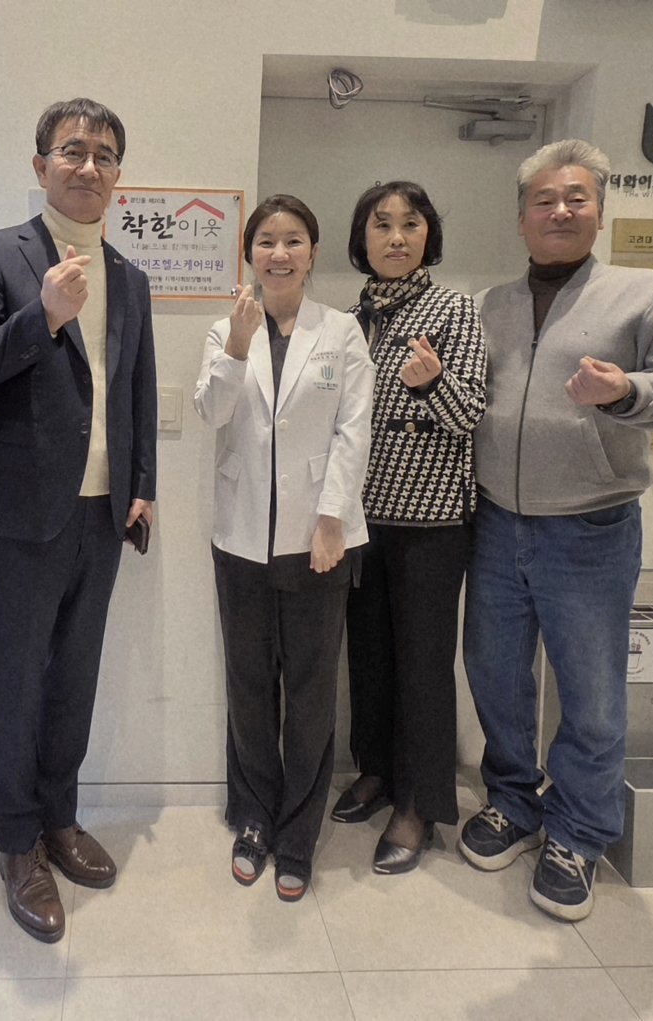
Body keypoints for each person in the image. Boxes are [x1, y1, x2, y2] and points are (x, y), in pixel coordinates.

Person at [458, 139, 653, 922]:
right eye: (544, 200)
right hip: (496, 521)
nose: (560, 210)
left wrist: (626, 389)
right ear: (522, 217)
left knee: (593, 694)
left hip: (591, 528)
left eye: (576, 198)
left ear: (599, 211)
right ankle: (513, 800)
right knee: (495, 673)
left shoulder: (645, 293)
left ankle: (577, 832)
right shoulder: (491, 303)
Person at [0, 98, 157, 943]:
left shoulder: (131, 277)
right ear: (41, 166)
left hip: (103, 511)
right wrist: (44, 318)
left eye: (104, 154)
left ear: (118, 176)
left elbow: (136, 388)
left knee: (75, 675)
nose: (88, 165)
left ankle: (60, 818)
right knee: (18, 680)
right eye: (72, 150)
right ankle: (16, 842)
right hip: (22, 511)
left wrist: (142, 482)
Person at [195, 195, 374, 901]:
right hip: (240, 538)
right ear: (250, 254)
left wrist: (332, 519)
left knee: (309, 691)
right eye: (266, 241)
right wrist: (238, 347)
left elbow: (353, 430)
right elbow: (212, 412)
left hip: (318, 541)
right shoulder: (225, 329)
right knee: (248, 685)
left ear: (312, 252)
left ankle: (298, 833)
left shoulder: (343, 331)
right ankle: (253, 818)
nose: (279, 253)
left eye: (293, 240)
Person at [330, 182, 486, 875]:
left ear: (429, 236)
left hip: (431, 521)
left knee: (422, 663)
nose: (396, 237)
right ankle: (377, 770)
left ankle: (419, 802)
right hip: (361, 515)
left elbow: (471, 412)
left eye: (411, 224)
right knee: (368, 655)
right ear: (361, 238)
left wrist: (432, 383)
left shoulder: (454, 308)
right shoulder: (351, 317)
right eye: (382, 224)